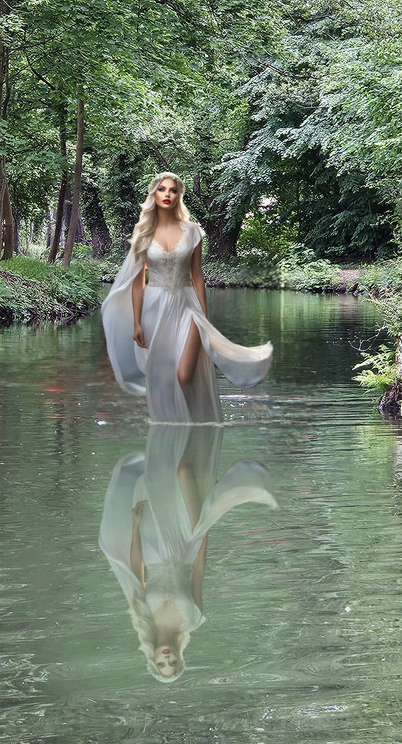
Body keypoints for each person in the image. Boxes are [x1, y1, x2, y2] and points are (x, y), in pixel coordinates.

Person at [98, 423, 278, 681]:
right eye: (172, 662)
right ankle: (196, 427)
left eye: (162, 663)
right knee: (184, 472)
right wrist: (206, 527)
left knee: (160, 474)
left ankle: (168, 424)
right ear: (180, 657)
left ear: (154, 658)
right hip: (185, 546)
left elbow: (136, 568)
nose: (167, 658)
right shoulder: (192, 620)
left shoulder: (143, 618)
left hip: (153, 541)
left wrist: (136, 526)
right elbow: (198, 575)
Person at [100, 172, 272, 423]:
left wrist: (204, 316)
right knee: (161, 375)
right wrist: (137, 322)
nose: (167, 194)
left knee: (184, 375)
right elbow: (138, 283)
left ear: (179, 195)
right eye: (162, 190)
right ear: (154, 195)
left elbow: (197, 275)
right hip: (154, 309)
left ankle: (199, 423)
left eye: (172, 190)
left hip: (187, 305)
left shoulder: (193, 232)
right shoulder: (143, 234)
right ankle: (174, 428)